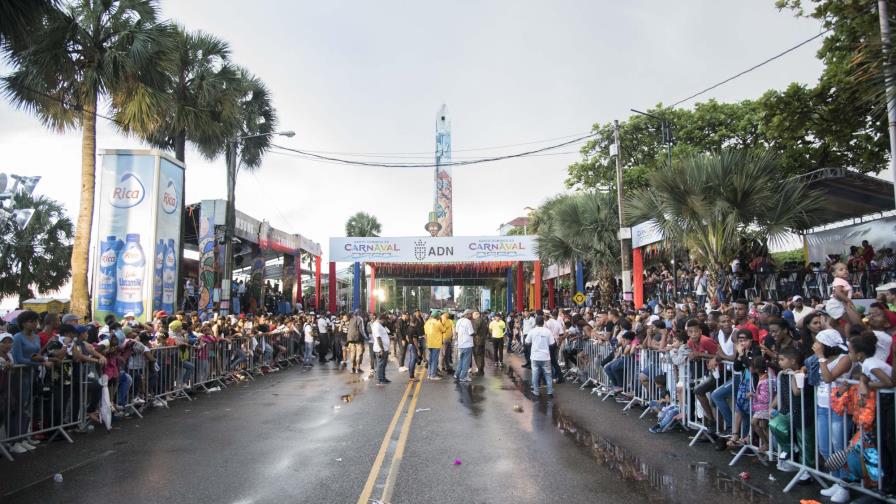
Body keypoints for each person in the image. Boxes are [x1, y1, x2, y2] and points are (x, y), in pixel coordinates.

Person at [525, 315, 555, 398]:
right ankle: (549, 392)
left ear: (536, 322)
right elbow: (552, 344)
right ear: (543, 322)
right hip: (545, 356)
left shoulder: (532, 331)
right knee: (548, 375)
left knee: (535, 374)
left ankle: (536, 392)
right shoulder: (548, 331)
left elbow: (527, 342)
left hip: (535, 356)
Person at [454, 310, 475, 383]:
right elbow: (471, 332)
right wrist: (475, 333)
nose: (471, 315)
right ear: (468, 314)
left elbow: (456, 331)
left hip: (460, 344)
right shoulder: (468, 322)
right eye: (471, 314)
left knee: (461, 360)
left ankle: (457, 374)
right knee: (466, 361)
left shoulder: (459, 321)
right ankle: (463, 377)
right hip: (467, 344)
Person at [371, 314, 391, 385]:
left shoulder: (379, 325)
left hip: (384, 348)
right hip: (380, 349)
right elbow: (378, 338)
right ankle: (380, 379)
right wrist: (382, 349)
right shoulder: (376, 326)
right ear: (381, 319)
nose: (385, 322)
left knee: (383, 364)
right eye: (385, 320)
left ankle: (383, 378)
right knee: (380, 365)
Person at [424, 311, 444, 380]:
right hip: (436, 343)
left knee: (430, 359)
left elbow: (425, 334)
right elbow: (443, 330)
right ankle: (433, 375)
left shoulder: (427, 322)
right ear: (437, 316)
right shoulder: (438, 322)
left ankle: (429, 374)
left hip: (429, 343)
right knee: (435, 360)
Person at [471, 311, 489, 376]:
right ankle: (481, 370)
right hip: (482, 340)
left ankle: (480, 370)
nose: (472, 316)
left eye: (473, 314)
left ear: (476, 315)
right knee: (481, 355)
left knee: (478, 355)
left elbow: (474, 331)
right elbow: (487, 330)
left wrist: (469, 333)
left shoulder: (477, 321)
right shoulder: (483, 320)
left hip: (477, 341)